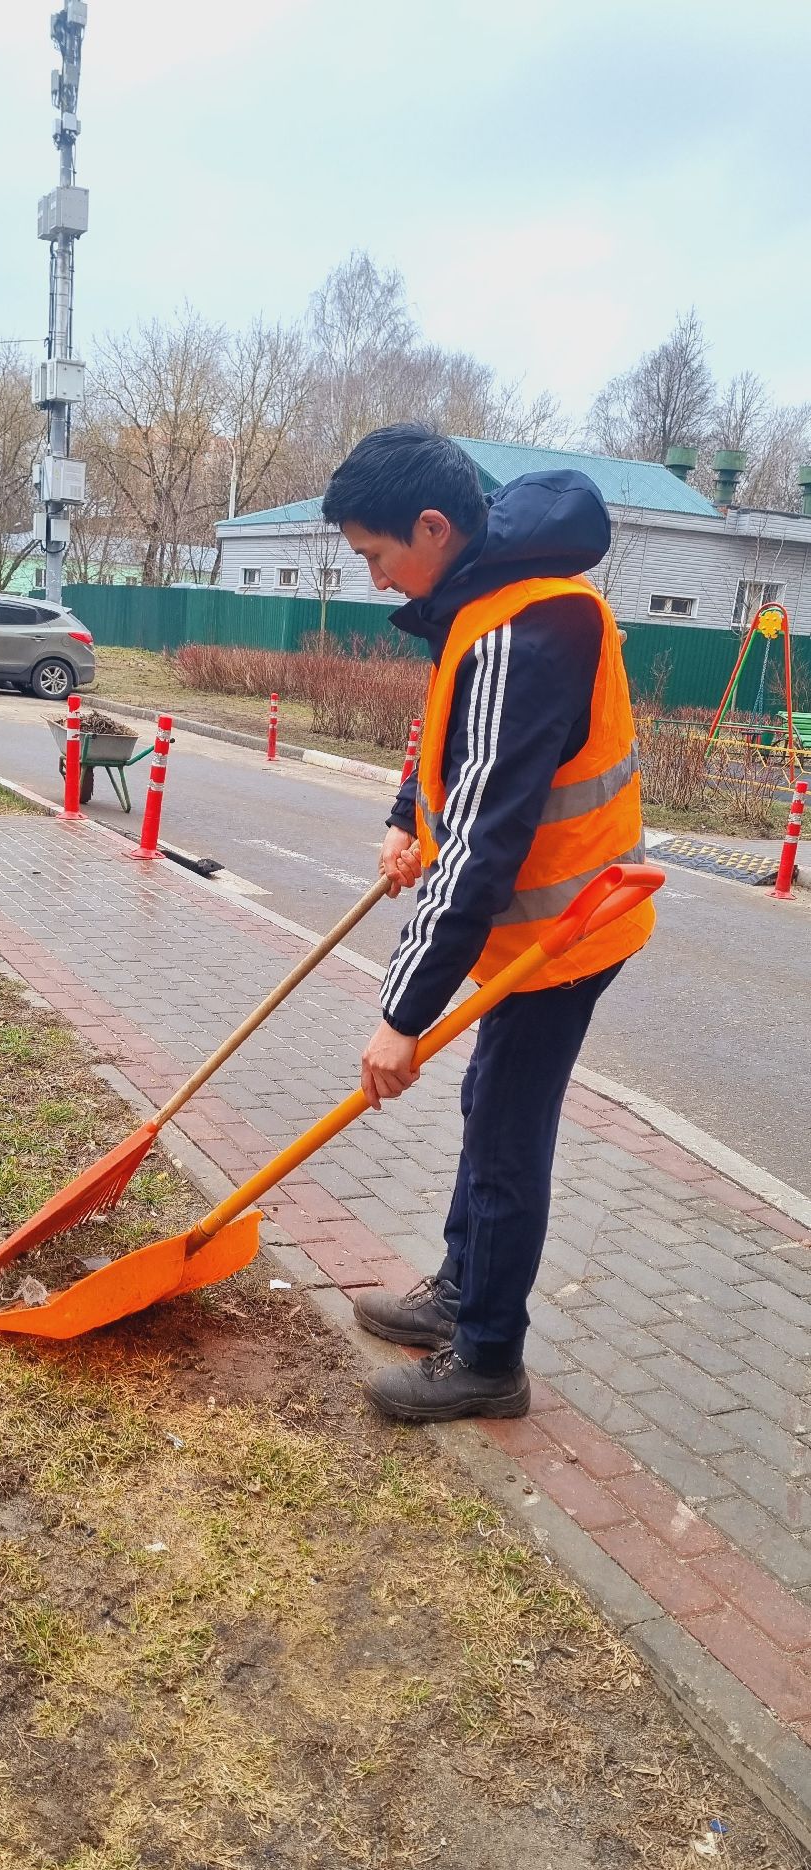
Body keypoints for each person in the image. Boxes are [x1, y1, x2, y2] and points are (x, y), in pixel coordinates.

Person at [321, 425, 655, 1424]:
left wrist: (402, 1015)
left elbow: (481, 850)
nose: (377, 581)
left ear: (432, 527)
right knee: (486, 1107)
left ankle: (488, 1358)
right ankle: (460, 1293)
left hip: (567, 932)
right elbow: (452, 737)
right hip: (532, 928)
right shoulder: (481, 594)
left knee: (508, 1136)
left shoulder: (528, 626)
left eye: (376, 557)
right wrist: (399, 818)